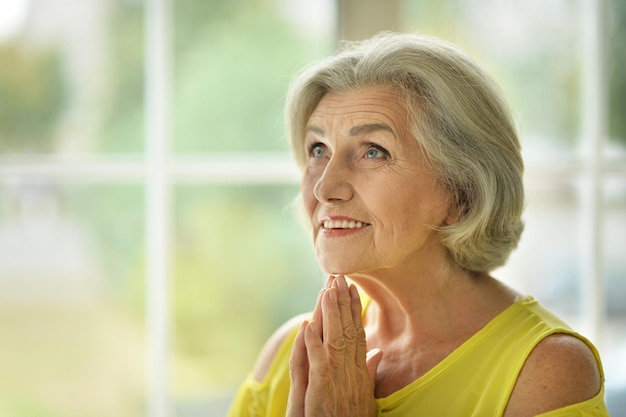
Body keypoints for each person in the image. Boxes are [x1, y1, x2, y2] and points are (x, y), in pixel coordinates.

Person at [227, 32, 610, 416]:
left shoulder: (546, 370)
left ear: (461, 191)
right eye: (318, 150)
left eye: (373, 151)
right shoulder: (291, 352)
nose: (326, 187)